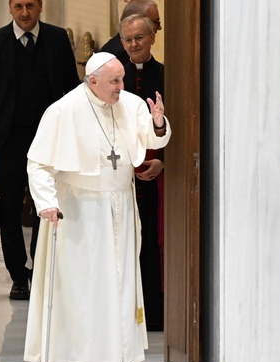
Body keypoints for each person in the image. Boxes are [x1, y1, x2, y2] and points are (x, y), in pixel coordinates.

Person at [23, 52, 171, 362]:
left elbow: (150, 137)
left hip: (121, 207)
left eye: (122, 79)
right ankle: (81, 356)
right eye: (115, 81)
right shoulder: (63, 111)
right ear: (93, 81)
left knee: (120, 282)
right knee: (86, 287)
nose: (122, 85)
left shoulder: (130, 104)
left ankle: (118, 354)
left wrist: (158, 122)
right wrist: (47, 201)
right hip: (80, 212)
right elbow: (38, 163)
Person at [0, 0, 79, 300]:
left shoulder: (57, 39)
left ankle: (41, 269)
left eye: (30, 5)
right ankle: (18, 275)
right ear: (10, 8)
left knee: (47, 206)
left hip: (50, 140)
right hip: (9, 140)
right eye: (18, 6)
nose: (25, 12)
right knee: (10, 207)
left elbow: (72, 88)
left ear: (41, 6)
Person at [120, 13, 166, 331]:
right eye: (128, 39)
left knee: (151, 241)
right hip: (119, 174)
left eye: (140, 38)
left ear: (152, 38)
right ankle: (125, 315)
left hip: (156, 174)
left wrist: (164, 160)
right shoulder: (113, 76)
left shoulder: (166, 75)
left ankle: (151, 314)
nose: (134, 44)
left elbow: (176, 124)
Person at [101, 0, 162, 65]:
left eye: (139, 38)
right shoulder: (122, 55)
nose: (159, 27)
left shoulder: (115, 45)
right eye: (156, 22)